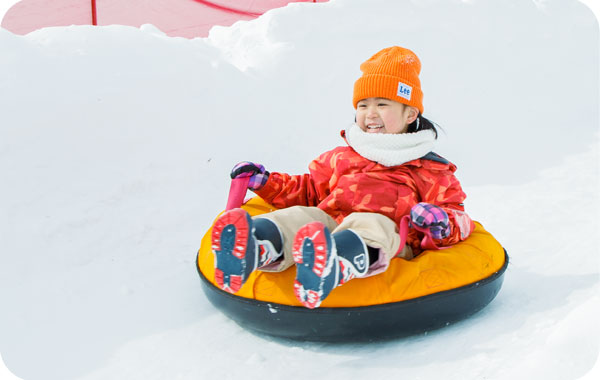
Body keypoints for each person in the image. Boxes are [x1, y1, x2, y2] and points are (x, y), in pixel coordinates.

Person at [211, 46, 475, 309]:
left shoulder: (429, 168)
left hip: (391, 240)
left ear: (410, 114)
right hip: (329, 227)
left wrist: (439, 222)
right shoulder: (342, 157)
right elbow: (309, 191)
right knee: (303, 217)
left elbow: (457, 217)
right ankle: (255, 246)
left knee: (370, 222)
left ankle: (335, 263)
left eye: (382, 104)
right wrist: (266, 182)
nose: (371, 113)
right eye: (363, 105)